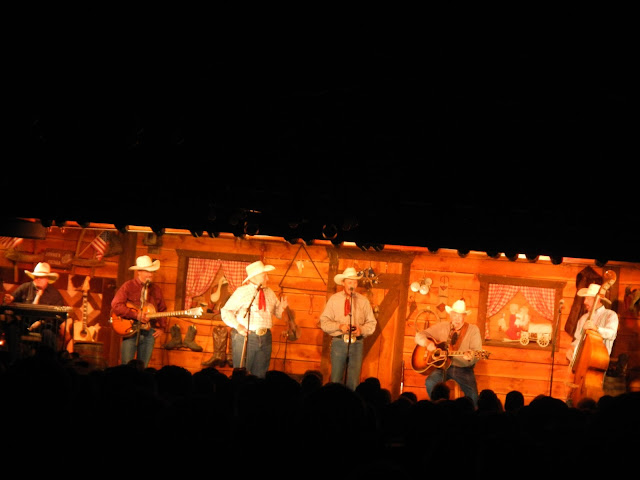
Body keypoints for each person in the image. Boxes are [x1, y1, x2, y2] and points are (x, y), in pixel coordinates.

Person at [221, 260, 288, 378]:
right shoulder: (242, 292)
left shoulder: (270, 292)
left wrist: (281, 307)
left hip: (265, 337)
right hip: (247, 336)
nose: (267, 278)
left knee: (261, 375)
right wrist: (238, 326)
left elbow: (277, 313)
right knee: (242, 374)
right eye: (264, 275)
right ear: (255, 276)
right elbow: (226, 311)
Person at [414, 298, 483, 407]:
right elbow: (418, 336)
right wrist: (427, 343)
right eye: (454, 315)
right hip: (442, 367)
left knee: (473, 395)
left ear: (464, 316)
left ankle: (470, 414)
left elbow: (477, 352)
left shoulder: (473, 330)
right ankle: (438, 409)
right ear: (450, 315)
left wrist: (471, 357)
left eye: (460, 315)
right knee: (430, 382)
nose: (457, 318)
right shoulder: (442, 327)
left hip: (463, 369)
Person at [319, 267, 377, 390]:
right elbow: (324, 322)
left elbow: (372, 323)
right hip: (339, 342)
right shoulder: (334, 300)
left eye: (355, 282)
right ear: (343, 283)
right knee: (336, 379)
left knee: (354, 381)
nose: (353, 285)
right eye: (350, 282)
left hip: (357, 343)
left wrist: (361, 330)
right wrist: (339, 326)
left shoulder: (363, 301)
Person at [2, 262, 68, 361]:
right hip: (23, 323)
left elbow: (58, 317)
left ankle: (46, 363)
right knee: (11, 328)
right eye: (36, 277)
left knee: (49, 334)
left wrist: (41, 322)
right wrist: (9, 299)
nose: (38, 279)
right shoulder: (25, 287)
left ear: (47, 279)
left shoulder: (55, 295)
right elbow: (12, 298)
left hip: (44, 326)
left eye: (41, 277)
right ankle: (14, 361)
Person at [111, 255, 167, 368]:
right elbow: (116, 305)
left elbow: (162, 309)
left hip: (149, 333)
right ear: (139, 272)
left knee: (143, 367)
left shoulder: (156, 290)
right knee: (126, 367)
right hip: (130, 330)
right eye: (147, 271)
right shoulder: (128, 286)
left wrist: (162, 327)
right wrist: (136, 315)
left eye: (152, 271)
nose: (150, 274)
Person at [566, 283, 619, 364]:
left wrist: (596, 328)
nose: (585, 302)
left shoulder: (610, 315)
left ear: (597, 299)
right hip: (581, 361)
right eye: (585, 298)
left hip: (599, 361)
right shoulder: (583, 318)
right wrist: (571, 347)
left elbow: (611, 334)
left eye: (588, 299)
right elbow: (578, 339)